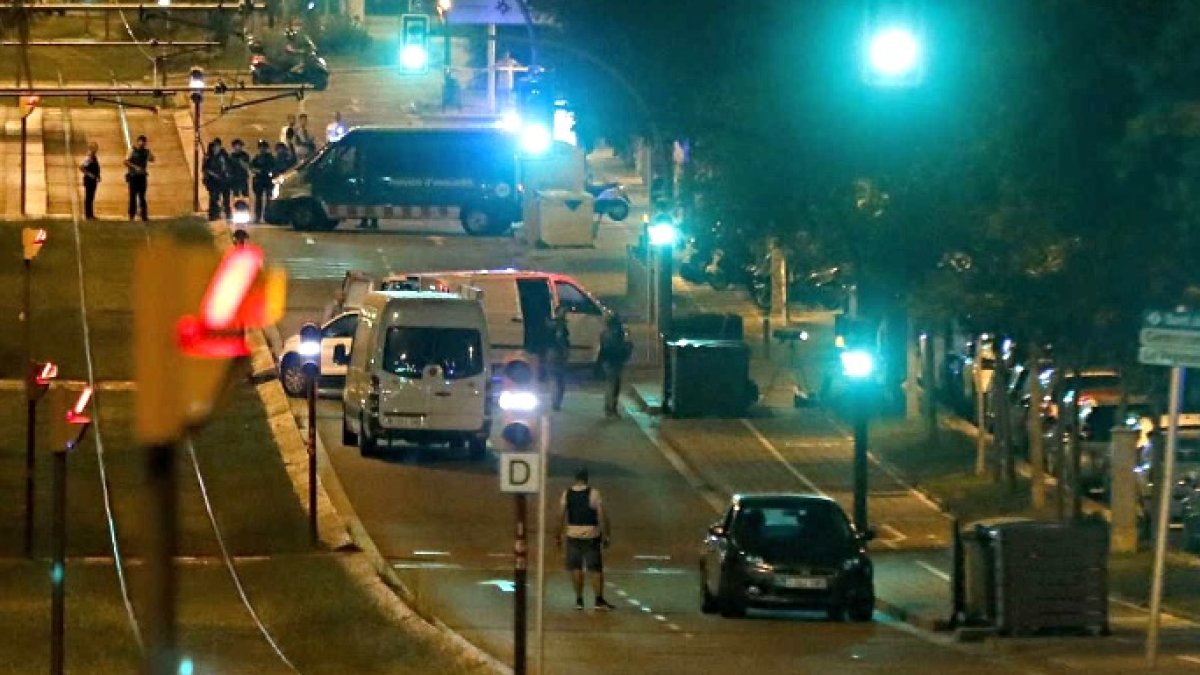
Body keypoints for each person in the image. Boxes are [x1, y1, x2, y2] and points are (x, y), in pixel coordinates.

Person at [557, 468, 613, 611]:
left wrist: (557, 535)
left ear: (575, 478)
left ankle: (579, 600)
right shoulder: (594, 493)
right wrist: (606, 534)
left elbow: (561, 515)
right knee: (595, 569)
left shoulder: (567, 493)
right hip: (591, 535)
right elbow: (601, 515)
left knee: (576, 568)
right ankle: (599, 600)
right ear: (587, 479)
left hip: (572, 534)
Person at [597, 313, 632, 418]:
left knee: (609, 384)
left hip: (607, 361)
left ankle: (608, 407)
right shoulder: (617, 333)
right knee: (614, 385)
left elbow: (603, 348)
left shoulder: (604, 333)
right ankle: (611, 408)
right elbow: (620, 347)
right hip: (615, 361)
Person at [544, 306, 570, 411]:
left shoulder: (551, 323)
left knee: (553, 377)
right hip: (557, 352)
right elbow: (560, 338)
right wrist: (565, 351)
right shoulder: (560, 324)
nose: (565, 314)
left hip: (550, 351)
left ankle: (554, 401)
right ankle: (557, 402)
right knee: (559, 379)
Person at [124, 135, 154, 221]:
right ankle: (131, 215)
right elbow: (125, 161)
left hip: (142, 177)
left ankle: (144, 215)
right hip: (133, 176)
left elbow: (152, 159)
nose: (142, 143)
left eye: (144, 142)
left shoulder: (146, 152)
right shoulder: (132, 150)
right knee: (132, 196)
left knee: (142, 196)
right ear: (138, 142)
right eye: (141, 141)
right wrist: (135, 167)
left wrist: (149, 154)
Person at [203, 138, 231, 221]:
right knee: (214, 198)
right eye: (214, 146)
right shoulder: (209, 157)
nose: (216, 148)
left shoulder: (224, 156)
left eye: (217, 146)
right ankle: (214, 215)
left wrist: (227, 174)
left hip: (224, 181)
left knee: (226, 199)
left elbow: (228, 167)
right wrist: (213, 175)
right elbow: (205, 169)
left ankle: (228, 214)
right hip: (213, 182)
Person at [250, 139, 275, 223]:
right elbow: (252, 168)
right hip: (259, 181)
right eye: (260, 147)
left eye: (263, 147)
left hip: (267, 180)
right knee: (258, 200)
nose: (262, 149)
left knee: (268, 200)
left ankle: (268, 217)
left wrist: (266, 171)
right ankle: (258, 217)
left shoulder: (270, 157)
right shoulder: (257, 158)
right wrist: (257, 171)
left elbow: (273, 168)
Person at [79, 142, 100, 220]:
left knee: (91, 197)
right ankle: (88, 215)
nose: (96, 149)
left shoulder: (94, 157)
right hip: (89, 180)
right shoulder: (89, 157)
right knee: (88, 197)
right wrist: (89, 174)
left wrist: (98, 176)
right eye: (94, 148)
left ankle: (91, 214)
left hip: (93, 180)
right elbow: (81, 167)